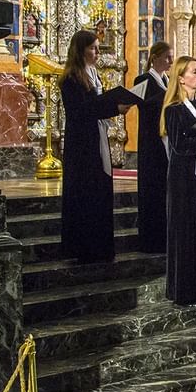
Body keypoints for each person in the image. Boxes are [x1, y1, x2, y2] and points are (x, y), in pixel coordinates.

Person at [60, 30, 131, 264]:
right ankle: (85, 248)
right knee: (86, 192)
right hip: (82, 144)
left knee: (100, 190)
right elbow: (81, 111)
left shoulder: (94, 74)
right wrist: (113, 108)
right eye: (92, 48)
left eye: (98, 47)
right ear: (80, 50)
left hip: (95, 137)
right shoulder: (70, 78)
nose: (97, 52)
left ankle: (101, 247)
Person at [162, 56, 196, 306]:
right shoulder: (174, 109)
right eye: (194, 71)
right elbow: (179, 145)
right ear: (181, 78)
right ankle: (184, 289)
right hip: (184, 178)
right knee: (186, 231)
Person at [133, 41, 172, 253]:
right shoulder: (143, 79)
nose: (170, 62)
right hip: (150, 141)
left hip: (166, 140)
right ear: (155, 57)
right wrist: (168, 95)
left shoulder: (167, 80)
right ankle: (150, 240)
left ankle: (164, 236)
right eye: (167, 57)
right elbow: (144, 105)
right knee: (152, 189)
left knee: (163, 190)